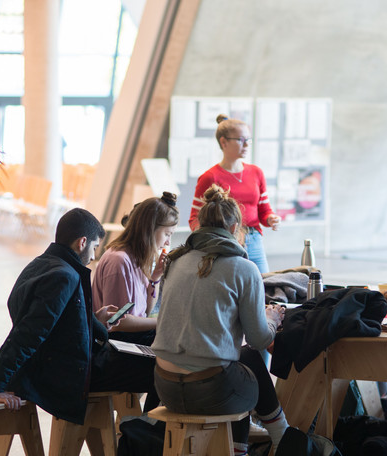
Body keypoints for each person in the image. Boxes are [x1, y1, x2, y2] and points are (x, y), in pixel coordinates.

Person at [0, 208, 157, 424]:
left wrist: (94, 319)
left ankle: (143, 431)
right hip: (72, 373)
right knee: (162, 370)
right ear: (82, 242)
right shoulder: (64, 276)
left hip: (68, 360)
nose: (93, 256)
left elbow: (59, 323)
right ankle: (147, 434)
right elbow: (29, 333)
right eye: (95, 247)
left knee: (150, 350)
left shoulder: (42, 264)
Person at [155, 184, 289, 455]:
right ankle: (283, 439)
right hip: (210, 391)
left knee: (238, 364)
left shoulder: (176, 260)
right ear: (235, 228)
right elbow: (259, 340)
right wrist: (271, 319)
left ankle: (248, 445)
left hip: (164, 386)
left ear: (199, 225)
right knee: (247, 362)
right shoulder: (244, 268)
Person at [189, 114, 281, 273]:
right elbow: (195, 219)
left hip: (254, 240)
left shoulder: (256, 172)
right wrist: (211, 240)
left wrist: (271, 219)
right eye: (240, 140)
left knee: (264, 284)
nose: (246, 145)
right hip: (226, 241)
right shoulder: (210, 177)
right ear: (223, 142)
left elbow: (264, 211)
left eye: (248, 140)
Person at [92, 192, 178, 345]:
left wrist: (155, 277)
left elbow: (146, 311)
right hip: (117, 344)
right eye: (167, 234)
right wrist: (164, 321)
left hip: (131, 339)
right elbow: (117, 321)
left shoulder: (138, 259)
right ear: (150, 230)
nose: (167, 242)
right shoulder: (119, 261)